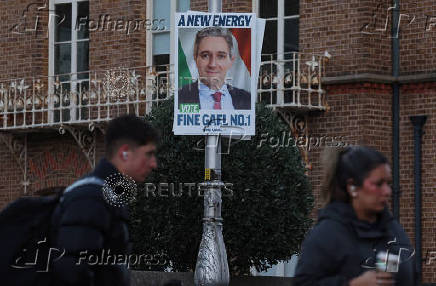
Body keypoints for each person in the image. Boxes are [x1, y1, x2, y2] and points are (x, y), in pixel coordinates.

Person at [50, 114, 158, 286]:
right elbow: (72, 272)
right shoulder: (90, 198)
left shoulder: (105, 195)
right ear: (125, 153)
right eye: (149, 154)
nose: (154, 164)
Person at [294, 146, 415, 286]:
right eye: (378, 184)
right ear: (352, 187)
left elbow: (410, 273)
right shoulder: (327, 234)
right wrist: (353, 284)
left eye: (388, 183)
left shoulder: (393, 230)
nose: (387, 191)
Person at [178, 27, 251, 110]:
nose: (212, 64)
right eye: (205, 55)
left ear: (231, 61)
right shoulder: (179, 98)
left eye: (221, 56)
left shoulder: (247, 100)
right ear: (195, 58)